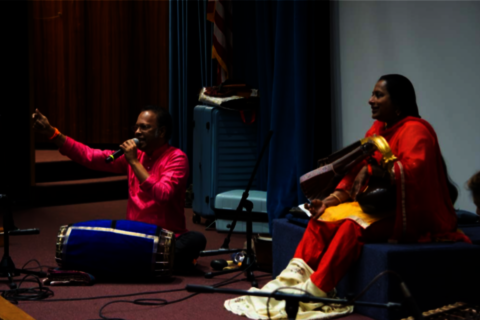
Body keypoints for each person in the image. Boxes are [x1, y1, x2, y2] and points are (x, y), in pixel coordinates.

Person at [225, 75, 471, 319]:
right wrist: (329, 201)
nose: (370, 100)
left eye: (378, 95)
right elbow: (354, 173)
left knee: (352, 227)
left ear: (398, 103)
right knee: (322, 218)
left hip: (409, 214)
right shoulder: (378, 129)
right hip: (378, 207)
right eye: (372, 94)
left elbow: (415, 174)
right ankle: (289, 281)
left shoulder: (416, 131)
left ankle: (316, 290)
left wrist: (374, 169)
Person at [32, 105, 206, 272]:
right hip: (133, 236)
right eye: (136, 127)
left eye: (144, 127)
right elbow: (90, 156)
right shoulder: (135, 156)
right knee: (99, 234)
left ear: (161, 131)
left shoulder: (177, 159)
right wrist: (52, 133)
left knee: (196, 240)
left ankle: (134, 259)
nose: (137, 132)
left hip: (166, 239)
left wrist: (134, 162)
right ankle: (148, 260)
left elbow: (162, 194)